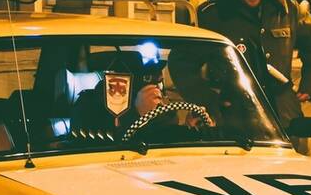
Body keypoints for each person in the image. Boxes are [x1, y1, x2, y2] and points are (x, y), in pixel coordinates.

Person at [196, 0, 311, 153]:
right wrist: (206, 101)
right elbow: (184, 62)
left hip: (284, 116)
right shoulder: (213, 16)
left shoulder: (286, 9)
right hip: (234, 119)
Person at [69, 58, 210, 140]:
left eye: (158, 81)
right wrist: (138, 114)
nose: (156, 88)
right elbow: (102, 149)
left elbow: (164, 140)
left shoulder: (163, 111)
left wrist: (190, 128)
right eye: (149, 79)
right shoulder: (91, 105)